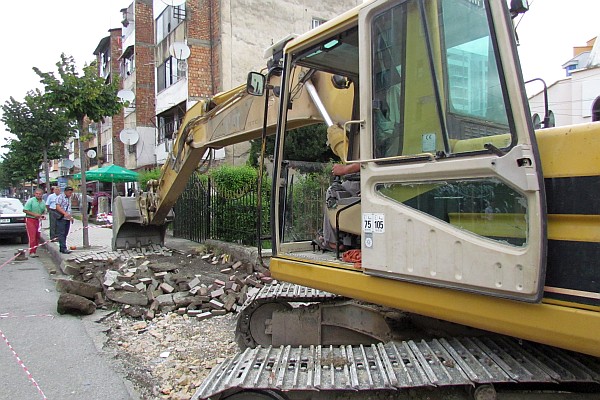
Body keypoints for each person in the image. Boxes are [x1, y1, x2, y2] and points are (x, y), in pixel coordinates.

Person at [23, 188, 47, 257]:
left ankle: (34, 250)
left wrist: (42, 216)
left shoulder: (43, 202)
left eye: (40, 194)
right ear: (34, 194)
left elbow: (43, 211)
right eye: (37, 194)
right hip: (30, 219)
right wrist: (34, 214)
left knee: (37, 236)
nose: (38, 195)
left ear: (42, 194)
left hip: (38, 220)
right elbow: (25, 210)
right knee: (32, 236)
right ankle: (31, 252)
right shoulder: (31, 201)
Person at [55, 186, 75, 254]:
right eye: (69, 192)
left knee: (65, 233)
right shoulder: (60, 197)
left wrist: (70, 217)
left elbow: (69, 208)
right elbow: (58, 207)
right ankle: (63, 248)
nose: (70, 194)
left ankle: (62, 247)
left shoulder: (69, 198)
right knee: (61, 233)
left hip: (67, 218)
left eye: (71, 193)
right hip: (61, 218)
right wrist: (65, 213)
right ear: (65, 192)